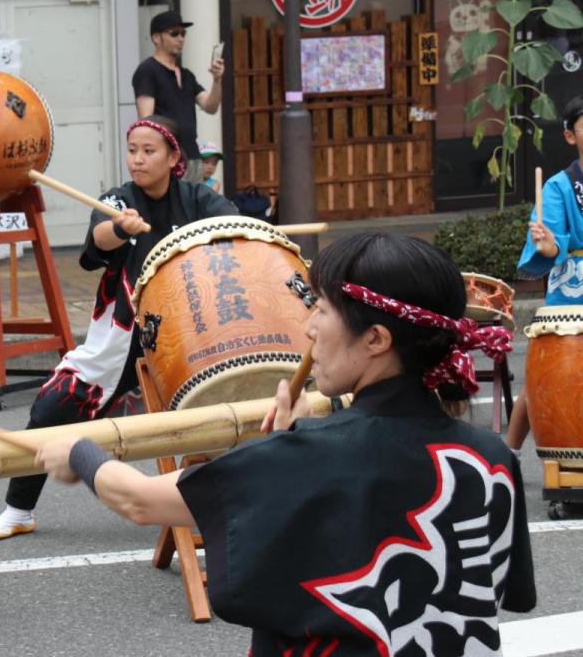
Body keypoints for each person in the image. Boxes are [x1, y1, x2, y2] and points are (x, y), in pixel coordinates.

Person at [38, 233, 535, 655]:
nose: (308, 327)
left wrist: (79, 451)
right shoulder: (492, 459)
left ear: (377, 340)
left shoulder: (305, 456)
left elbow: (140, 500)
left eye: (320, 310)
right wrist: (291, 445)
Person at [0, 115, 236, 541]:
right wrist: (119, 228)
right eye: (132, 150)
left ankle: (212, 508)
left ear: (174, 157)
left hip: (186, 333)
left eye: (149, 151)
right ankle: (18, 509)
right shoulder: (120, 199)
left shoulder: (198, 199)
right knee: (53, 408)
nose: (137, 159)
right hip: (124, 334)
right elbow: (97, 242)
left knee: (214, 414)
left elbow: (231, 227)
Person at [507, 94, 583, 451]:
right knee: (554, 377)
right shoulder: (558, 187)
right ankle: (508, 453)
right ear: (571, 136)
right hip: (573, 288)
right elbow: (550, 244)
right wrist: (550, 246)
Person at [132, 11, 224, 183]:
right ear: (156, 38)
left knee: (194, 209)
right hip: (169, 159)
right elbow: (147, 121)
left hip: (193, 157)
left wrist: (217, 80)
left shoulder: (187, 74)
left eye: (183, 33)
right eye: (174, 33)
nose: (180, 39)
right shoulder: (147, 71)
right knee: (173, 209)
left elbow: (211, 107)